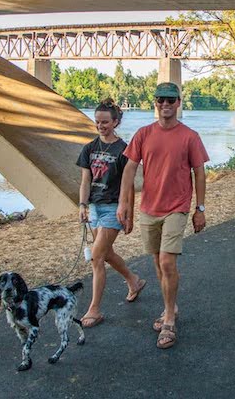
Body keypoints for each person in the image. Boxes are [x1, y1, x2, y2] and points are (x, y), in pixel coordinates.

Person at [118, 82, 209, 349]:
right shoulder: (143, 134)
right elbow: (129, 169)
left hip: (176, 207)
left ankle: (169, 317)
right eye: (161, 100)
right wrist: (124, 205)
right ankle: (172, 305)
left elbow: (199, 173)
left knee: (167, 262)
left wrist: (200, 208)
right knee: (158, 263)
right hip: (149, 208)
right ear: (155, 102)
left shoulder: (190, 136)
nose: (165, 104)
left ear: (178, 103)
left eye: (170, 100)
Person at [76, 98, 147, 328]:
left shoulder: (123, 150)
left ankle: (94, 309)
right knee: (105, 254)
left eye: (105, 122)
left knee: (96, 257)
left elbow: (129, 185)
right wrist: (82, 205)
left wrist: (129, 214)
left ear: (115, 122)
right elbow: (85, 181)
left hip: (113, 209)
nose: (100, 126)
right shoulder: (89, 148)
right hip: (95, 208)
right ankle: (133, 280)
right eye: (97, 121)